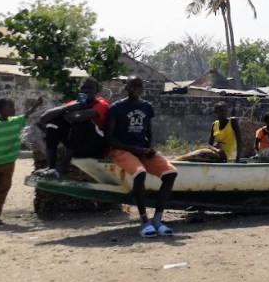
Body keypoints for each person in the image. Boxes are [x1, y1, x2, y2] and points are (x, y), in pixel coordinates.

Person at [105, 77, 177, 238]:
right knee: (140, 173)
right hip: (121, 150)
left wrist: (150, 147)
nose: (136, 88)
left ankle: (157, 220)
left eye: (139, 85)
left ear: (143, 88)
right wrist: (135, 149)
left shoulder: (147, 107)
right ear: (126, 87)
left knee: (171, 173)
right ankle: (144, 221)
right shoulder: (116, 108)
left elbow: (149, 132)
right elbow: (110, 138)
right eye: (132, 85)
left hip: (142, 150)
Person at [0, 95, 44, 224]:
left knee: (2, 191)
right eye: (10, 106)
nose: (14, 108)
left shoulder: (16, 121)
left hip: (8, 163)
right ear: (2, 109)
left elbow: (28, 114)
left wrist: (37, 104)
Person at [35, 77, 110, 178]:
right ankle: (51, 167)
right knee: (53, 124)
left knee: (80, 121)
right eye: (83, 88)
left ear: (96, 90)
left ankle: (64, 166)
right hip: (77, 146)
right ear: (80, 90)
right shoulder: (73, 103)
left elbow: (79, 117)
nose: (86, 90)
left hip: (94, 147)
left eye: (90, 88)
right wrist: (70, 107)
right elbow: (43, 119)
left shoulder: (101, 103)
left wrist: (68, 114)